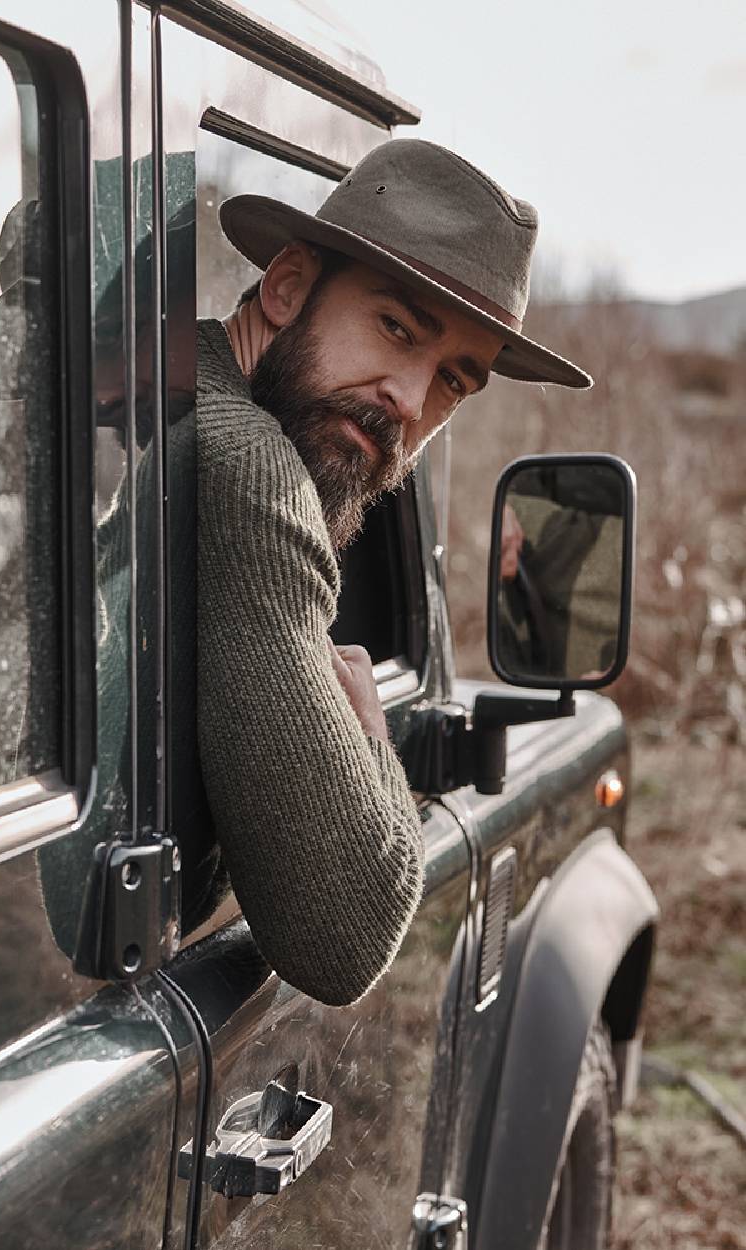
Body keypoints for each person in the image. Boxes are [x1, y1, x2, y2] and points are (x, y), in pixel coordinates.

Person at [196, 138, 592, 1006]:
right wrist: (374, 738)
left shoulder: (165, 390)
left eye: (454, 379)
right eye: (397, 327)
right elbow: (350, 934)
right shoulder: (248, 463)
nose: (411, 402)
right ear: (289, 284)